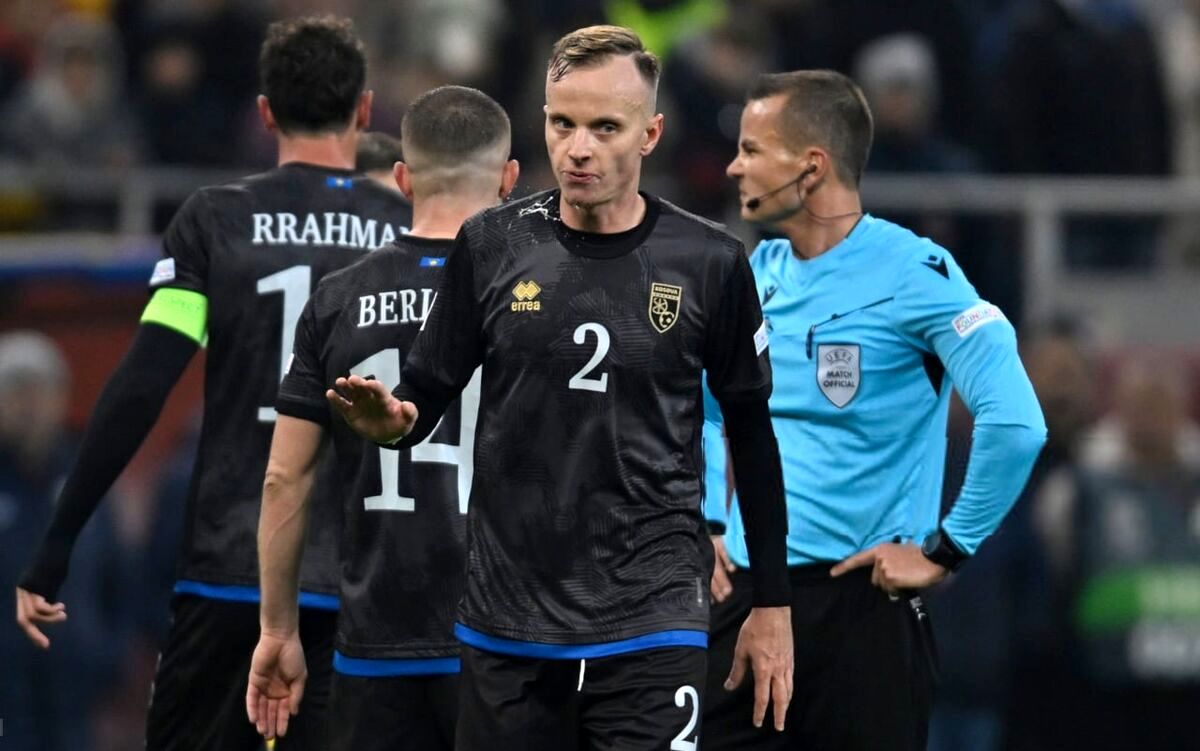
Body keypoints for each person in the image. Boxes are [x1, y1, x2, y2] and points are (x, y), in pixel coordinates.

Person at [324, 25, 794, 750]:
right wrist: (393, 423)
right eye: (562, 123)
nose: (578, 148)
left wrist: (773, 605)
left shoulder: (710, 261)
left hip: (652, 616)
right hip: (510, 621)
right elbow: (424, 394)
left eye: (605, 127)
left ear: (650, 134)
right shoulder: (492, 244)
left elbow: (753, 437)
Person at [15, 16, 411, 751]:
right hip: (365, 583)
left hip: (231, 573)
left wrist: (57, 541)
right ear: (364, 110)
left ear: (265, 113)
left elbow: (142, 385)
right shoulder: (408, 230)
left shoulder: (216, 220)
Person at [703, 69, 1047, 750]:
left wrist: (947, 549)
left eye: (751, 148)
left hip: (862, 613)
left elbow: (1016, 422)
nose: (733, 166)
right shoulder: (755, 274)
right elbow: (706, 411)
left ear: (811, 168)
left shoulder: (915, 274)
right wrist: (709, 517)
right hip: (747, 598)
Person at [246, 85, 518, 751]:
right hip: (509, 641)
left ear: (402, 178)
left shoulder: (338, 298)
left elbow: (284, 478)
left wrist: (277, 629)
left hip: (376, 640)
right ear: (509, 179)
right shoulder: (534, 294)